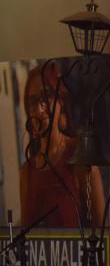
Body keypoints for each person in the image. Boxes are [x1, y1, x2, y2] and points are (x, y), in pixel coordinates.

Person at [19, 62, 105, 229]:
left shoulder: (81, 157)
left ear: (61, 102)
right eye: (32, 101)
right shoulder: (27, 172)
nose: (38, 109)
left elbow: (101, 232)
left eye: (46, 97)